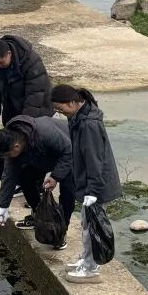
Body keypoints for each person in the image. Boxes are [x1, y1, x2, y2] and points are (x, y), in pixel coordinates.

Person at [51, 85, 122, 284]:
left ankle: (91, 269)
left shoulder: (89, 124)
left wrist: (92, 191)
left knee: (92, 227)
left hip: (97, 185)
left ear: (73, 103)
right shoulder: (77, 117)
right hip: (89, 182)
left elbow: (94, 160)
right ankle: (86, 259)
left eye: (61, 109)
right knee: (86, 223)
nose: (60, 113)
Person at [0, 115, 74, 249]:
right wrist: (2, 206)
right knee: (26, 177)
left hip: (71, 152)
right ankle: (38, 216)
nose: (7, 158)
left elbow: (68, 151)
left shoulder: (45, 133)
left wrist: (56, 176)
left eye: (7, 155)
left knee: (68, 191)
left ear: (16, 147)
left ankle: (60, 231)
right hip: (43, 156)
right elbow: (9, 176)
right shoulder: (14, 142)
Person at [0, 36, 54, 133]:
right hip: (12, 107)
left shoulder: (31, 62)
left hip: (38, 109)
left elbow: (35, 95)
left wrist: (24, 122)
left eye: (1, 63)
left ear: (9, 54)